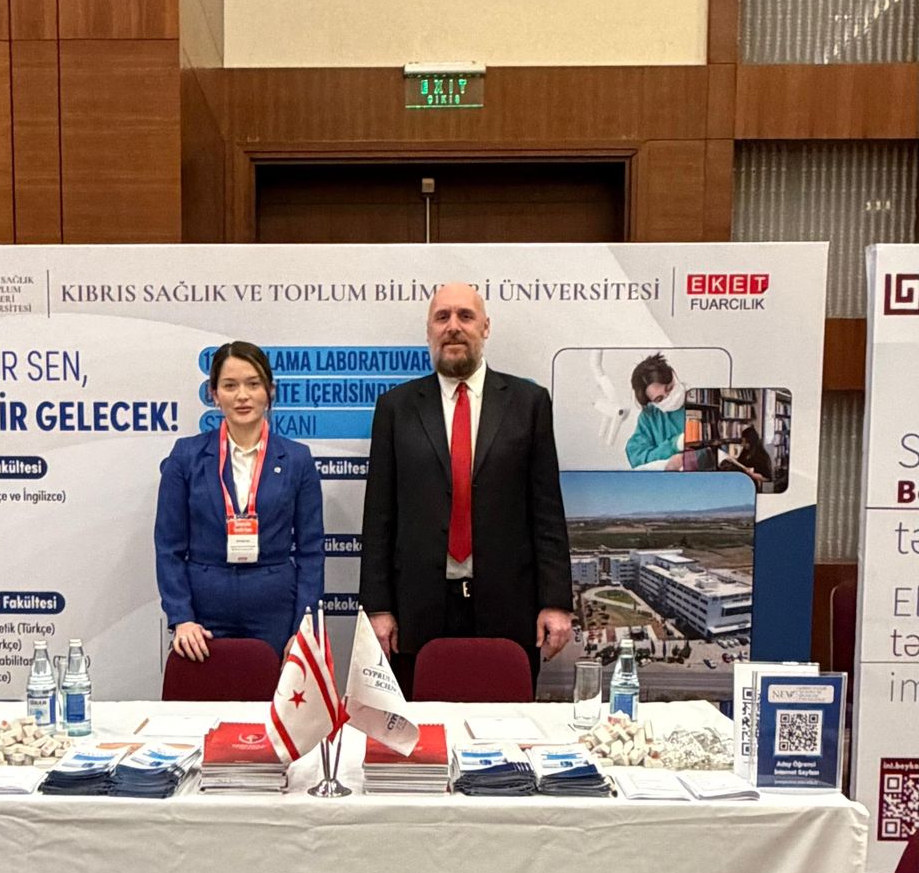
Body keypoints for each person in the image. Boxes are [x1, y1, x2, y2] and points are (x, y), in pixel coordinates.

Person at [358, 281, 574, 694]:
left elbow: (546, 511)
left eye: (465, 316)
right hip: (417, 610)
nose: (453, 326)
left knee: (505, 722)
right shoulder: (396, 408)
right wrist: (378, 607)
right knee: (422, 724)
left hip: (509, 607)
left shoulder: (528, 403)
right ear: (429, 331)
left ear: (485, 327)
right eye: (442, 317)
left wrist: (556, 602)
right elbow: (379, 516)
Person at [154, 341, 324, 661]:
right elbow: (168, 547)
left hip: (275, 612)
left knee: (270, 693)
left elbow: (311, 550)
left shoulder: (297, 459)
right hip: (203, 616)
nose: (242, 395)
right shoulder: (186, 456)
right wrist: (181, 617)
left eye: (253, 384)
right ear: (214, 395)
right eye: (230, 386)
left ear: (270, 391)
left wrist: (304, 627)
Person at [625, 353, 686, 471]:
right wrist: (674, 445)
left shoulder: (701, 400)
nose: (669, 396)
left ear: (674, 375)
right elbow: (637, 457)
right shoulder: (650, 418)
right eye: (659, 399)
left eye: (670, 388)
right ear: (652, 403)